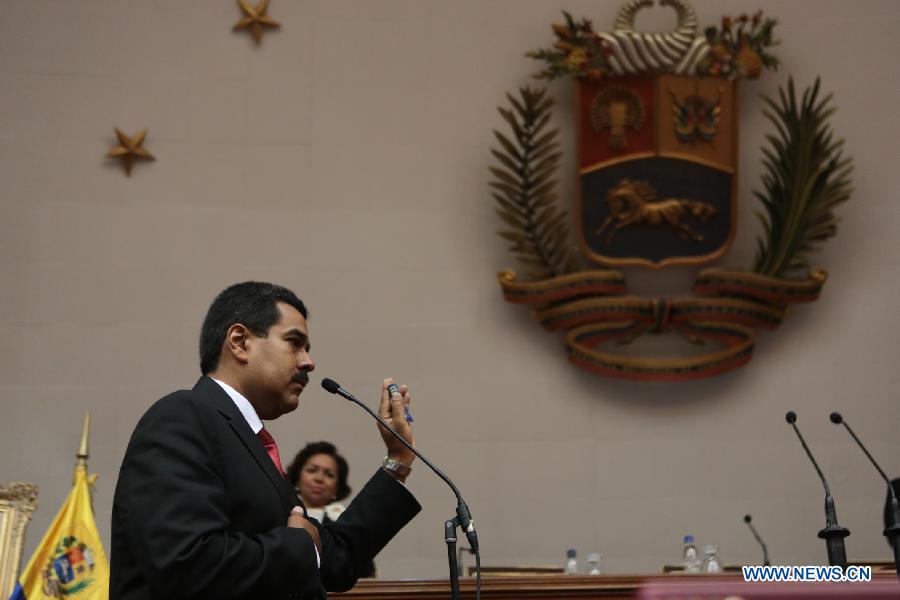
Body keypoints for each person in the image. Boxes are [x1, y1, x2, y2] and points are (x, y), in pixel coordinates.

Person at [110, 281, 420, 599]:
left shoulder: (248, 442)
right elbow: (185, 563)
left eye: (307, 349)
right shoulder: (180, 417)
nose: (308, 362)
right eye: (294, 343)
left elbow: (336, 560)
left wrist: (399, 459)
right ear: (240, 342)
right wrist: (300, 547)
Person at [286, 442, 376, 577]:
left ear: (337, 488)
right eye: (312, 470)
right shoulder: (281, 512)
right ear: (297, 478)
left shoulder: (346, 523)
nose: (319, 478)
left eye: (329, 474)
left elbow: (363, 569)